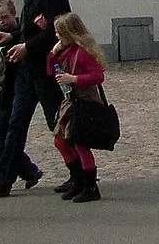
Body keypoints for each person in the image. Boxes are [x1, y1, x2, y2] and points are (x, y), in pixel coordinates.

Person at [0, 0, 71, 196]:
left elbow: (58, 31)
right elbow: (28, 30)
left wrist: (26, 47)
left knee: (58, 121)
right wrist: (12, 36)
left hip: (45, 71)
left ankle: (80, 172)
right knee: (15, 125)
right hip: (28, 71)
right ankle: (2, 180)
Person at [0, 0, 43, 194]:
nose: (2, 22)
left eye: (5, 18)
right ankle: (27, 171)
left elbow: (24, 38)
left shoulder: (22, 33)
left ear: (13, 14)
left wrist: (11, 39)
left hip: (18, 87)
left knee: (8, 134)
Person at [50, 12, 108, 202]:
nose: (57, 37)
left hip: (83, 101)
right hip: (69, 101)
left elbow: (98, 76)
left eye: (60, 33)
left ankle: (90, 185)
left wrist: (74, 79)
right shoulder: (65, 51)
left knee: (79, 143)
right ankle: (77, 179)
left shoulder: (82, 53)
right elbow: (50, 70)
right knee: (60, 140)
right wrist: (53, 53)